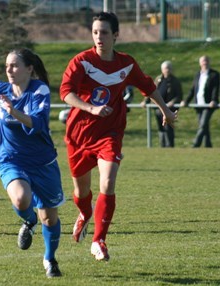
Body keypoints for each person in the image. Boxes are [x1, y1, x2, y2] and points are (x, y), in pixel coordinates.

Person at [59, 12, 177, 261]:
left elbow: (148, 86)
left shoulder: (127, 64)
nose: (98, 37)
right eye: (95, 32)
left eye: (103, 32)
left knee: (108, 182)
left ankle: (99, 240)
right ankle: (85, 214)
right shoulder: (81, 61)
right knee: (81, 193)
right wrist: (91, 108)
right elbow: (66, 92)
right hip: (79, 135)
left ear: (115, 35)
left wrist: (165, 109)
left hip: (109, 134)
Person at [0, 48, 65, 278]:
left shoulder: (39, 90)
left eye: (15, 65)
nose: (9, 70)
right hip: (11, 159)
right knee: (21, 199)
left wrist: (14, 111)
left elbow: (39, 123)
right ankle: (29, 221)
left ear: (29, 69)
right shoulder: (0, 89)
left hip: (43, 162)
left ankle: (49, 259)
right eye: (7, 66)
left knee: (50, 218)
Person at [180, 55, 219, 148]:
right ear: (200, 63)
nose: (204, 62)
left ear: (209, 62)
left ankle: (195, 145)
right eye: (203, 61)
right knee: (204, 126)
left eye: (206, 60)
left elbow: (215, 89)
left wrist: (214, 100)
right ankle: (208, 145)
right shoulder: (198, 74)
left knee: (202, 125)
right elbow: (193, 89)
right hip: (198, 104)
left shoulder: (214, 74)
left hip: (209, 105)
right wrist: (186, 101)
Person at [141, 60, 182, 147]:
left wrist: (172, 102)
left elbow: (179, 95)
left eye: (169, 68)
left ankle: (170, 146)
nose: (167, 70)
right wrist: (145, 101)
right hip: (158, 109)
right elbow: (151, 91)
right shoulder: (158, 79)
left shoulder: (175, 81)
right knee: (160, 128)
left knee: (168, 128)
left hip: (169, 109)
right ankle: (162, 146)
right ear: (162, 70)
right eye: (165, 68)